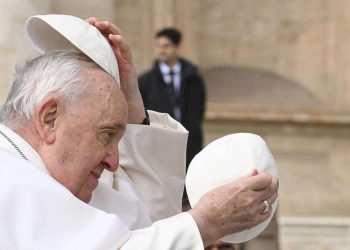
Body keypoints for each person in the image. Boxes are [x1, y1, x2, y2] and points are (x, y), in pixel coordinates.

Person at [0, 16, 279, 249]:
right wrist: (207, 222)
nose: (114, 161)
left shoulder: (46, 172)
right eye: (107, 135)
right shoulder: (11, 178)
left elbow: (149, 220)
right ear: (50, 119)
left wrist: (129, 99)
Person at [139, 28, 205, 167]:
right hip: (158, 145)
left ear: (177, 47)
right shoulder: (145, 81)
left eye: (166, 46)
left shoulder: (193, 78)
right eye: (158, 46)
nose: (161, 50)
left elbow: (198, 110)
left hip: (188, 144)